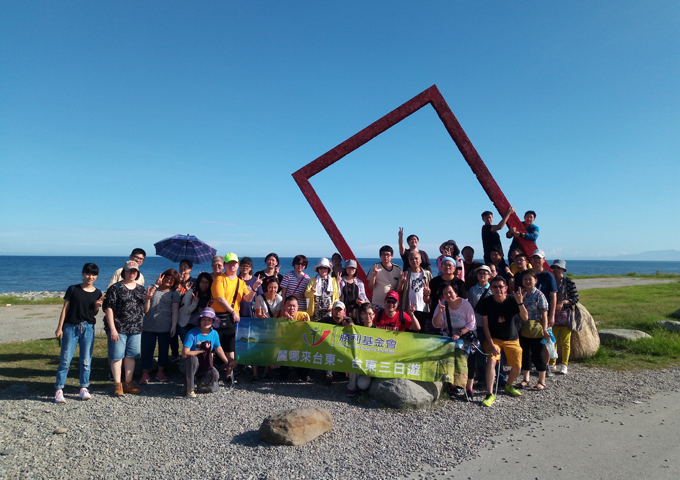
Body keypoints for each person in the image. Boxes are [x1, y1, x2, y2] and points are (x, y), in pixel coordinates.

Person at [54, 263, 103, 403]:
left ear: (97, 276)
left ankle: (84, 387)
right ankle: (59, 389)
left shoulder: (98, 292)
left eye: (93, 274)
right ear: (83, 274)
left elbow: (93, 313)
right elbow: (65, 309)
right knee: (65, 359)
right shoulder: (73, 289)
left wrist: (97, 307)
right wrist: (59, 328)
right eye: (88, 273)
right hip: (71, 327)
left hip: (88, 328)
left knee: (86, 360)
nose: (90, 277)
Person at [476, 276, 528, 406]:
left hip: (512, 338)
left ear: (505, 288)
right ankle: (489, 393)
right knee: (492, 360)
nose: (498, 289)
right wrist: (491, 344)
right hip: (494, 338)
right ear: (491, 289)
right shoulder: (486, 302)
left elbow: (525, 318)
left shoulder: (513, 300)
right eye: (494, 287)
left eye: (501, 286)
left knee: (517, 366)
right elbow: (485, 325)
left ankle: (509, 385)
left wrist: (520, 302)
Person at [211, 253, 262, 381]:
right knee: (212, 346)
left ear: (237, 265)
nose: (232, 265)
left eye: (234, 263)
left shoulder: (241, 282)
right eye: (229, 263)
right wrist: (233, 311)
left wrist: (254, 288)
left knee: (230, 346)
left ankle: (229, 373)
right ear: (224, 265)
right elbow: (220, 299)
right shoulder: (220, 279)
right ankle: (209, 373)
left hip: (231, 319)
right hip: (217, 316)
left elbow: (247, 299)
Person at [104, 260, 148, 397]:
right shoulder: (115, 288)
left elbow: (145, 309)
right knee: (117, 357)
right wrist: (113, 329)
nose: (132, 273)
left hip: (135, 328)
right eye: (129, 271)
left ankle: (128, 383)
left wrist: (148, 299)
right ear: (124, 272)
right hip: (119, 328)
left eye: (134, 271)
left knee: (131, 356)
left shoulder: (141, 289)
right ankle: (118, 384)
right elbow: (108, 308)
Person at [432, 284, 476, 400]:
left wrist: (460, 333)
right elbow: (436, 324)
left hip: (465, 336)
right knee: (451, 362)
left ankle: (469, 388)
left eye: (450, 292)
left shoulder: (465, 305)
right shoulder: (442, 305)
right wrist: (440, 312)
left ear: (456, 293)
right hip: (449, 337)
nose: (448, 295)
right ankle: (453, 387)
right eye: (445, 293)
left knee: (469, 362)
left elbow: (472, 323)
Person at [139, 269, 181, 385]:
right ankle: (145, 373)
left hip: (165, 326)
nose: (169, 281)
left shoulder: (174, 293)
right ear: (162, 276)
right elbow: (145, 309)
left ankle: (160, 372)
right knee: (147, 350)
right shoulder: (152, 288)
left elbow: (175, 311)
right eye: (167, 277)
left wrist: (173, 326)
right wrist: (149, 296)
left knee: (163, 350)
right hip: (148, 325)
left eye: (172, 280)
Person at [180, 308, 233, 397]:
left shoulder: (214, 333)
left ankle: (200, 382)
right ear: (200, 320)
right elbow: (185, 353)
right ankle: (189, 387)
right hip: (188, 363)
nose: (206, 322)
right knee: (193, 360)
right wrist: (201, 351)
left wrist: (227, 363)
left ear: (213, 322)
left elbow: (218, 349)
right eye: (204, 319)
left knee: (215, 374)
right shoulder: (192, 333)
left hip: (205, 363)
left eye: (209, 320)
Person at [514, 272, 549, 391]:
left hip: (537, 329)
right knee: (525, 354)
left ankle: (541, 381)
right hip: (523, 328)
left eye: (530, 279)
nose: (527, 281)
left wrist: (545, 329)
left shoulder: (539, 295)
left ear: (535, 280)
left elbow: (544, 314)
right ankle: (526, 379)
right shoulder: (521, 294)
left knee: (538, 354)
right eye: (525, 279)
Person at [549, 259, 579, 375]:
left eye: (558, 268)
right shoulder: (551, 280)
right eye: (554, 267)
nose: (555, 270)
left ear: (563, 269)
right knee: (553, 340)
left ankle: (564, 364)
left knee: (565, 341)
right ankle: (552, 363)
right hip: (552, 314)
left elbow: (575, 299)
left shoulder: (569, 282)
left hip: (566, 314)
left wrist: (564, 302)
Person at [467, 265, 493, 388]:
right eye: (479, 273)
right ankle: (482, 378)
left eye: (484, 273)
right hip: (478, 325)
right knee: (480, 352)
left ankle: (497, 377)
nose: (482, 275)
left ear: (489, 275)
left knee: (494, 351)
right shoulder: (472, 290)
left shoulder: (494, 288)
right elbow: (470, 308)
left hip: (492, 325)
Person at [428, 257, 468, 334]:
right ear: (440, 267)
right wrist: (426, 295)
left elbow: (465, 301)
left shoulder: (460, 284)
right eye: (445, 265)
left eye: (450, 265)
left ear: (454, 268)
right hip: (435, 317)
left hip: (455, 320)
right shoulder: (434, 281)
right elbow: (427, 300)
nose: (447, 267)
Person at [277, 296, 312, 382]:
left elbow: (308, 333)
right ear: (284, 306)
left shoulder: (304, 315)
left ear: (298, 307)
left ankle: (302, 372)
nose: (292, 308)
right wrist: (288, 323)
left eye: (294, 306)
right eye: (289, 306)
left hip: (300, 344)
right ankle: (284, 372)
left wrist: (306, 324)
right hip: (286, 345)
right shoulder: (280, 319)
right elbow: (280, 336)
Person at [319, 301, 354, 385]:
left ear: (344, 311)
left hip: (341, 350)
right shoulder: (325, 320)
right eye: (336, 309)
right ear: (332, 310)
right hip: (329, 349)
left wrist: (351, 326)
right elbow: (313, 325)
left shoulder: (348, 321)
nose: (338, 311)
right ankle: (328, 373)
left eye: (340, 310)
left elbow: (353, 327)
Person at [397, 251, 432, 332]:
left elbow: (431, 291)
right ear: (409, 262)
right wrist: (402, 283)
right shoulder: (405, 274)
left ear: (421, 261)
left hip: (424, 309)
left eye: (416, 258)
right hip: (408, 309)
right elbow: (398, 290)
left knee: (423, 333)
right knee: (409, 333)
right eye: (411, 259)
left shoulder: (427, 274)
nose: (414, 261)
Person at [170, 259, 196, 362]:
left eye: (185, 266)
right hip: (175, 311)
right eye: (181, 266)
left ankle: (187, 356)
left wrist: (184, 284)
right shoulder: (174, 281)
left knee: (186, 337)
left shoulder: (194, 281)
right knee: (173, 335)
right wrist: (177, 283)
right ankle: (175, 354)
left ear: (190, 269)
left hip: (188, 313)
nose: (182, 268)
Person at [178, 272, 213, 343]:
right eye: (202, 282)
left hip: (200, 324)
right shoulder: (191, 292)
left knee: (198, 346)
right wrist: (195, 303)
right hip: (185, 322)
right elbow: (186, 311)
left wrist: (203, 312)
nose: (204, 284)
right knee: (187, 345)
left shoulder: (211, 295)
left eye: (207, 282)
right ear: (198, 282)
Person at [305, 257, 340, 322]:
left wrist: (332, 306)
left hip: (329, 312)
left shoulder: (333, 281)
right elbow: (306, 295)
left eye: (325, 268)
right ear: (318, 269)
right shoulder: (313, 280)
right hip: (315, 312)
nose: (323, 270)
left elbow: (336, 297)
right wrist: (312, 292)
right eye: (321, 268)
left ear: (328, 269)